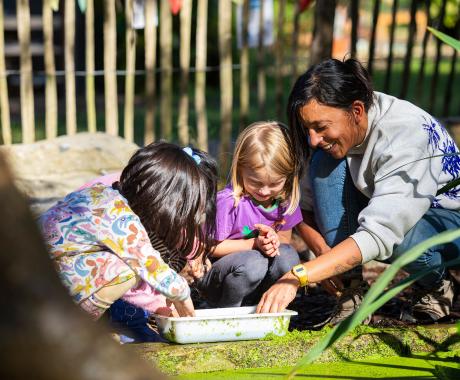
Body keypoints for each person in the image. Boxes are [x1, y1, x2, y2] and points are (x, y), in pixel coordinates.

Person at [257, 58, 460, 323]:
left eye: (320, 127)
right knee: (323, 163)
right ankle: (350, 291)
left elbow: (382, 233)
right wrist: (324, 255)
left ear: (356, 110)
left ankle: (435, 285)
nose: (312, 139)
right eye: (308, 129)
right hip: (390, 218)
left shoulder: (405, 135)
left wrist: (299, 275)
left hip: (447, 224)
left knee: (401, 234)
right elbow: (299, 208)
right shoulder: (338, 138)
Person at [39, 142, 217, 323]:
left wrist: (161, 305)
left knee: (129, 270)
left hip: (45, 279)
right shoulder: (117, 215)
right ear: (166, 200)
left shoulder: (104, 195)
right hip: (45, 291)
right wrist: (181, 293)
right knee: (124, 271)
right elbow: (150, 265)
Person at [197, 121, 302, 307]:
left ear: (288, 177)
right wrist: (253, 244)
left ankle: (267, 306)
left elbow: (285, 239)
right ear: (240, 168)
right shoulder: (229, 201)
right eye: (255, 182)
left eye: (274, 183)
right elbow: (209, 247)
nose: (264, 190)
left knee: (289, 256)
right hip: (220, 277)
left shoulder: (284, 201)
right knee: (253, 262)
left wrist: (273, 241)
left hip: (257, 276)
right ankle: (227, 312)